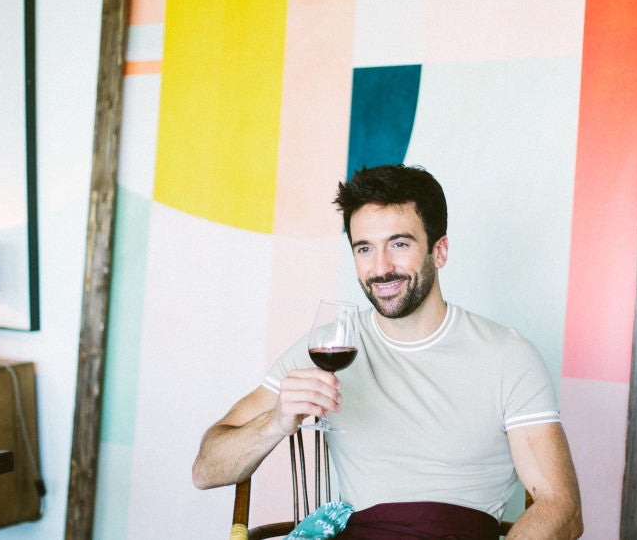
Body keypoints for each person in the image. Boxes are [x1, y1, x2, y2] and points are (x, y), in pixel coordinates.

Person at [193, 164, 583, 538]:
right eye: (364, 249)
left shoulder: (508, 357)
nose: (381, 268)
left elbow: (562, 508)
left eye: (399, 244)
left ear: (439, 251)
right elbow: (206, 470)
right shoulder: (329, 346)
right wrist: (276, 422)